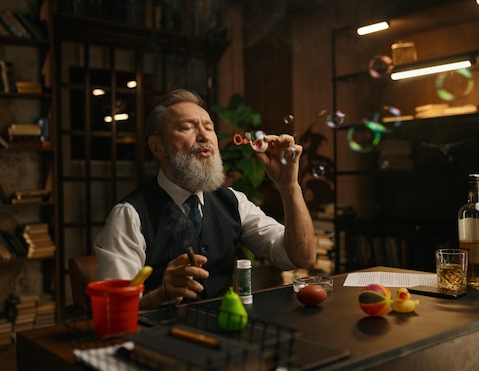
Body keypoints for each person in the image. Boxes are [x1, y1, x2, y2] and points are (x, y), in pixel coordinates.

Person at [94, 89, 316, 310]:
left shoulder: (233, 201)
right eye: (187, 127)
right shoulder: (130, 215)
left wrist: (288, 186)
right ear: (157, 147)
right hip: (158, 339)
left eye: (209, 127)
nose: (204, 136)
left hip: (225, 334)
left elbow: (300, 258)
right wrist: (162, 295)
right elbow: (113, 309)